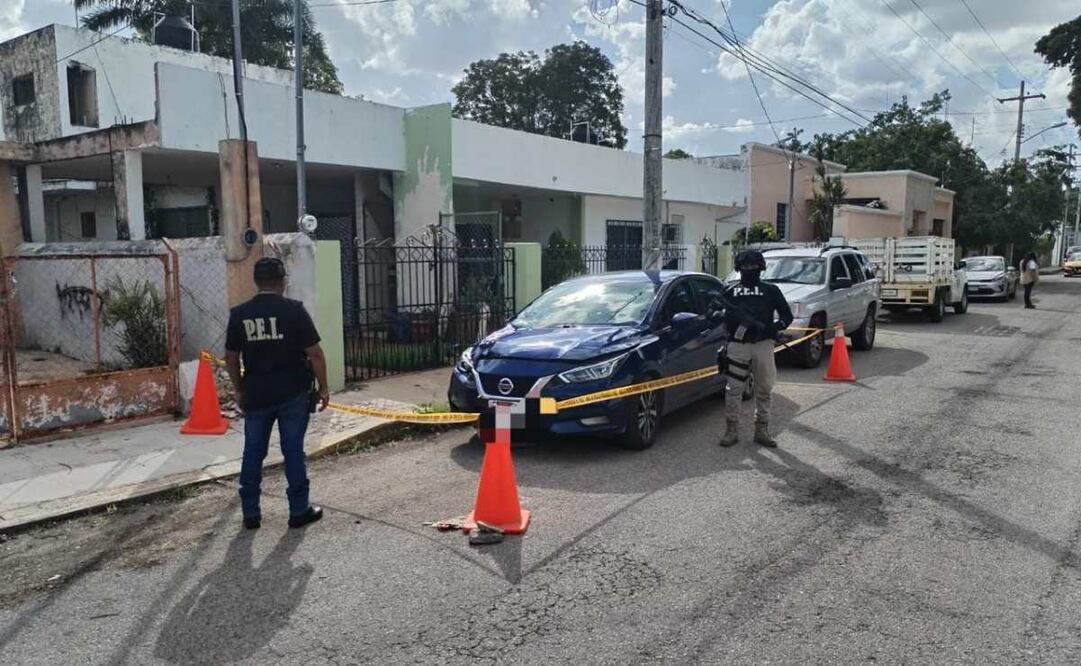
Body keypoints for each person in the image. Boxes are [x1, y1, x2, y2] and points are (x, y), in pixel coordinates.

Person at [225, 257, 330, 530]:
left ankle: (250, 513)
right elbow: (315, 353)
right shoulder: (294, 311)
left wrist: (238, 388)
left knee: (253, 452)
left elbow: (231, 357)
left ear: (256, 282)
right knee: (293, 450)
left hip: (256, 394)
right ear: (283, 281)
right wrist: (324, 388)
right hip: (292, 392)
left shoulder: (240, 314)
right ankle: (298, 511)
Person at [713, 250, 794, 448]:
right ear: (739, 269)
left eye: (753, 267)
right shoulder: (729, 291)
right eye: (746, 267)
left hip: (763, 344)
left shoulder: (771, 290)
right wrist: (725, 314)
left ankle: (762, 429)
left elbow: (787, 315)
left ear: (760, 268)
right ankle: (731, 429)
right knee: (734, 389)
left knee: (764, 388)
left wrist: (773, 328)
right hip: (737, 345)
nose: (749, 270)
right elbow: (711, 312)